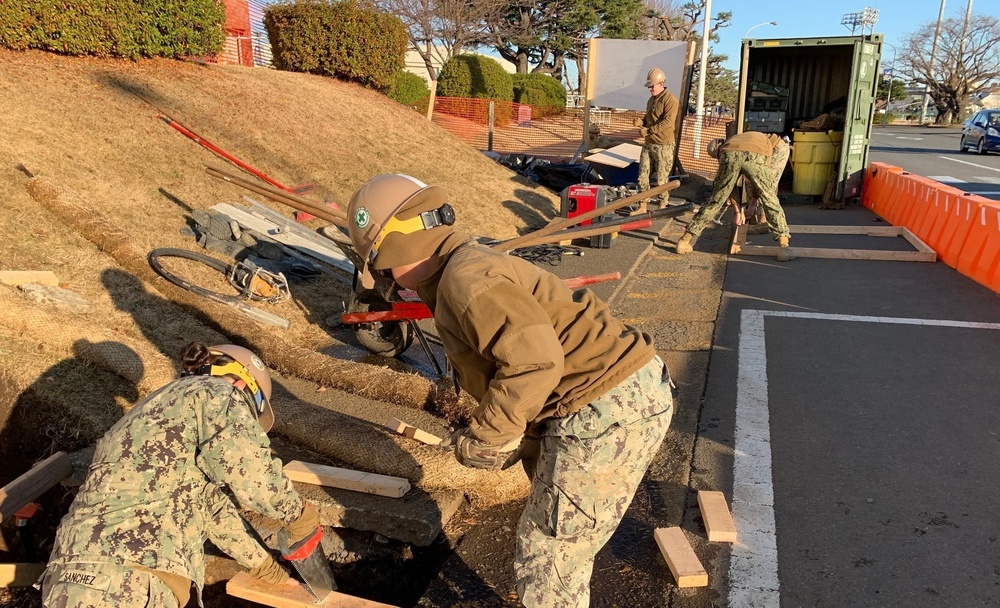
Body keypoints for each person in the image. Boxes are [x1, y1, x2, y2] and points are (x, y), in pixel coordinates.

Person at [346, 174, 674, 608]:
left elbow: (533, 363)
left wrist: (488, 436)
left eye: (382, 265)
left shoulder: (466, 282)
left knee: (550, 554)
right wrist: (526, 440)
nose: (386, 278)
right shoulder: (463, 267)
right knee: (558, 529)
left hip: (607, 406)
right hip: (614, 396)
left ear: (397, 247)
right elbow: (537, 379)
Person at [41, 342, 321, 608]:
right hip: (127, 579)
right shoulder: (216, 393)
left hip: (74, 575)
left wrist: (265, 567)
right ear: (241, 384)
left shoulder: (161, 422)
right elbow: (251, 473)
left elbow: (214, 513)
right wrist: (299, 516)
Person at [676, 131, 795, 261]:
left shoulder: (725, 150)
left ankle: (684, 241)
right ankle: (784, 248)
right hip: (758, 153)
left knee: (715, 200)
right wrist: (745, 208)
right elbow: (761, 185)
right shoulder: (734, 139)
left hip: (762, 150)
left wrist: (740, 209)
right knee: (769, 198)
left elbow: (728, 188)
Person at [634, 68, 679, 206]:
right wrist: (641, 122)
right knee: (642, 176)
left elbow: (668, 123)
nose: (650, 89)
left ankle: (662, 204)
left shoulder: (670, 100)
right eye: (649, 86)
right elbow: (649, 118)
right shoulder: (651, 100)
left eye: (652, 86)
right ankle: (643, 203)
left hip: (663, 145)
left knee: (661, 179)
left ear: (661, 83)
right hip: (649, 143)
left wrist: (648, 131)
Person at [745, 135, 791, 235]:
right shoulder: (734, 150)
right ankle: (752, 220)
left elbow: (761, 179)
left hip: (777, 149)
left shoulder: (738, 151)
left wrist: (753, 203)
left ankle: (763, 221)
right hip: (763, 151)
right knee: (749, 181)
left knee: (766, 183)